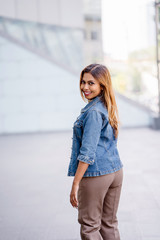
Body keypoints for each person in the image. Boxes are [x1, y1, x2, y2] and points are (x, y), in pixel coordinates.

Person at [67, 63, 123, 240]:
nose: (85, 87)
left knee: (90, 227)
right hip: (115, 170)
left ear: (102, 85)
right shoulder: (107, 106)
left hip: (96, 174)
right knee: (109, 224)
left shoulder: (93, 112)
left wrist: (75, 183)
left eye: (91, 83)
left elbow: (87, 153)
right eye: (83, 82)